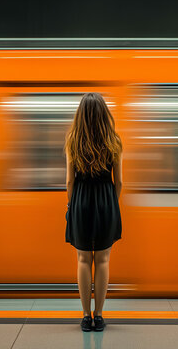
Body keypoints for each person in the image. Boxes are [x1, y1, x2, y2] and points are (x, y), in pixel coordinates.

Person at [64, 92, 123, 332]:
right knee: (103, 259)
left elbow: (69, 181)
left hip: (80, 200)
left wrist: (71, 205)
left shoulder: (72, 141)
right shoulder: (114, 141)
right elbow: (118, 181)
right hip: (106, 200)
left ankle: (85, 316)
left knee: (82, 259)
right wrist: (111, 203)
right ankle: (99, 316)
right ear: (103, 114)